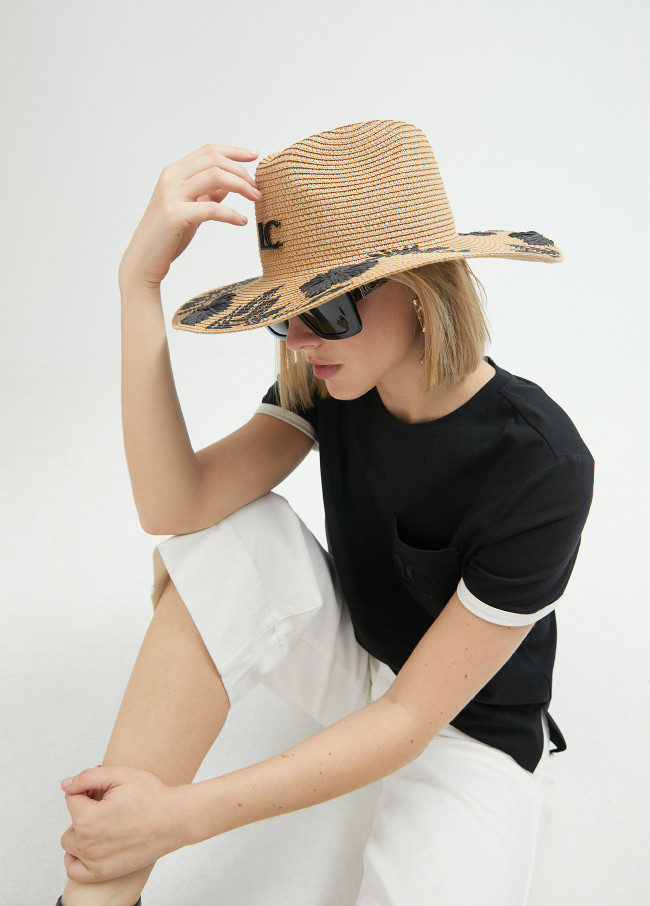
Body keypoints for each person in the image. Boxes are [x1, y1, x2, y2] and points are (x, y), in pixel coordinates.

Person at [56, 120, 594, 906]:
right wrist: (138, 284)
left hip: (467, 732)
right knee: (233, 535)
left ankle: (138, 832)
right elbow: (175, 505)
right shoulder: (335, 383)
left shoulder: (540, 463)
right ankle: (101, 892)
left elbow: (412, 719)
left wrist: (179, 817)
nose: (302, 340)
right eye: (285, 312)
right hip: (362, 671)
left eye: (331, 308)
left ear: (421, 291)